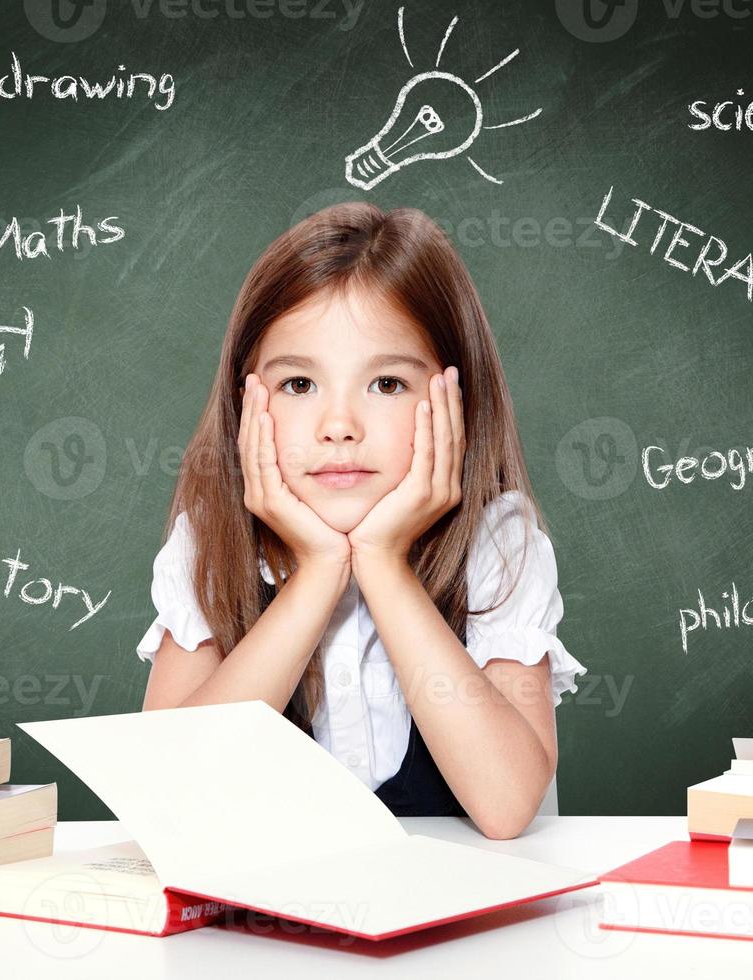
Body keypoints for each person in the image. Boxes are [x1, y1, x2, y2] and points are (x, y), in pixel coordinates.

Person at [134, 202, 585, 839]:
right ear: (246, 404)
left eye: (387, 385)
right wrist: (318, 571)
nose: (339, 425)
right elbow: (169, 796)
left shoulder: (498, 543)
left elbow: (507, 805)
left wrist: (382, 563)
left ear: (454, 400)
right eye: (298, 385)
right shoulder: (208, 541)